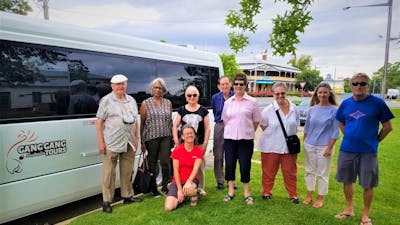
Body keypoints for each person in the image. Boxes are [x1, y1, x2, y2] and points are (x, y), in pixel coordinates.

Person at [334, 73, 394, 225]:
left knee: (368, 183)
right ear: (350, 85)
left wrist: (376, 140)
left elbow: (388, 127)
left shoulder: (378, 103)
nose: (358, 86)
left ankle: (365, 216)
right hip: (347, 148)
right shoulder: (346, 103)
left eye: (362, 83)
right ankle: (349, 209)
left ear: (368, 85)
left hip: (368, 151)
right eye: (355, 83)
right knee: (347, 180)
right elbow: (340, 122)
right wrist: (347, 134)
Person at [95, 74, 143, 213]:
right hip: (111, 141)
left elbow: (135, 120)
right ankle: (107, 201)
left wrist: (136, 137)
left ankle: (127, 195)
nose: (121, 86)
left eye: (123, 84)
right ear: (112, 86)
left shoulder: (131, 100)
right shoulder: (106, 100)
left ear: (126, 85)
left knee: (128, 170)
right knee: (108, 173)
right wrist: (101, 142)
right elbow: (99, 122)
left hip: (129, 141)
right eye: (118, 84)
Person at [221, 73, 261, 205]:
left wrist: (246, 130)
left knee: (245, 165)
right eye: (236, 84)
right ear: (233, 85)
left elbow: (256, 121)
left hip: (246, 140)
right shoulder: (227, 102)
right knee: (230, 165)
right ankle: (230, 191)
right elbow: (225, 120)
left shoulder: (253, 102)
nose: (238, 86)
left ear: (245, 85)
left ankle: (246, 193)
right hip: (230, 139)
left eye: (241, 84)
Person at [258, 82, 300, 204]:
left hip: (289, 148)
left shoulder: (294, 108)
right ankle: (267, 192)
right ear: (273, 94)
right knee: (268, 172)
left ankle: (293, 195)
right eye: (277, 93)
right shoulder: (267, 110)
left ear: (286, 93)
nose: (280, 96)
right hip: (271, 146)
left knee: (290, 172)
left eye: (283, 93)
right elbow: (263, 125)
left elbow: (295, 125)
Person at [302, 83, 339, 208]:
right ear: (316, 94)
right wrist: (305, 144)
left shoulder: (334, 110)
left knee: (323, 173)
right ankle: (309, 195)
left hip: (325, 146)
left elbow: (335, 131)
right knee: (309, 171)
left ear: (329, 94)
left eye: (325, 92)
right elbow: (306, 128)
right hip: (309, 145)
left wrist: (329, 147)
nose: (322, 95)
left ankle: (320, 198)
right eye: (320, 92)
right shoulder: (312, 109)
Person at [172, 85, 210, 196]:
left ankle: (201, 187)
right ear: (186, 97)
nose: (192, 97)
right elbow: (175, 126)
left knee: (200, 166)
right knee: (184, 166)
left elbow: (207, 127)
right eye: (189, 95)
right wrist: (176, 141)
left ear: (198, 96)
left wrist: (205, 143)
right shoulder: (182, 110)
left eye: (194, 95)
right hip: (185, 145)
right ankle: (184, 185)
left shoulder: (203, 110)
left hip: (199, 143)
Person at [140, 78, 173, 197]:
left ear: (163, 90)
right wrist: (142, 142)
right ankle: (153, 188)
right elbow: (142, 123)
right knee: (152, 163)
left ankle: (165, 186)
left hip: (166, 136)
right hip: (151, 137)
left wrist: (172, 137)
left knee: (165, 161)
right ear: (151, 89)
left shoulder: (168, 103)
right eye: (155, 87)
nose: (158, 90)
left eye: (160, 88)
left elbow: (170, 121)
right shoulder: (145, 103)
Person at [165, 124, 203, 211]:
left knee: (191, 188)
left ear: (195, 135)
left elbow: (195, 169)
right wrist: (179, 190)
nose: (189, 135)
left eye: (191, 133)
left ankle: (193, 194)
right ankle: (180, 195)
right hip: (178, 181)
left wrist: (189, 182)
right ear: (182, 136)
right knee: (168, 207)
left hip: (191, 180)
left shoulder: (198, 151)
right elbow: (176, 171)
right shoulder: (177, 150)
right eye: (187, 134)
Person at [211, 76, 234, 190]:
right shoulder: (215, 97)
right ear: (219, 86)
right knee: (218, 155)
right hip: (220, 125)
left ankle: (231, 180)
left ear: (230, 84)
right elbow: (215, 111)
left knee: (231, 155)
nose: (225, 86)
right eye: (222, 84)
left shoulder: (235, 96)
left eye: (226, 83)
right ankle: (220, 180)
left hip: (233, 126)